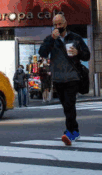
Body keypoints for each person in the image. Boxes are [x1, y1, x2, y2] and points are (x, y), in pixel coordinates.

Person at [39, 13, 90, 146]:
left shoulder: (75, 38)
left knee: (69, 105)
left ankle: (69, 132)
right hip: (58, 78)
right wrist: (51, 39)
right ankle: (75, 131)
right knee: (66, 106)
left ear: (65, 23)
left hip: (72, 77)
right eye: (55, 25)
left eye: (60, 24)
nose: (58, 27)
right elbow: (42, 53)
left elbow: (87, 55)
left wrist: (78, 53)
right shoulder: (50, 39)